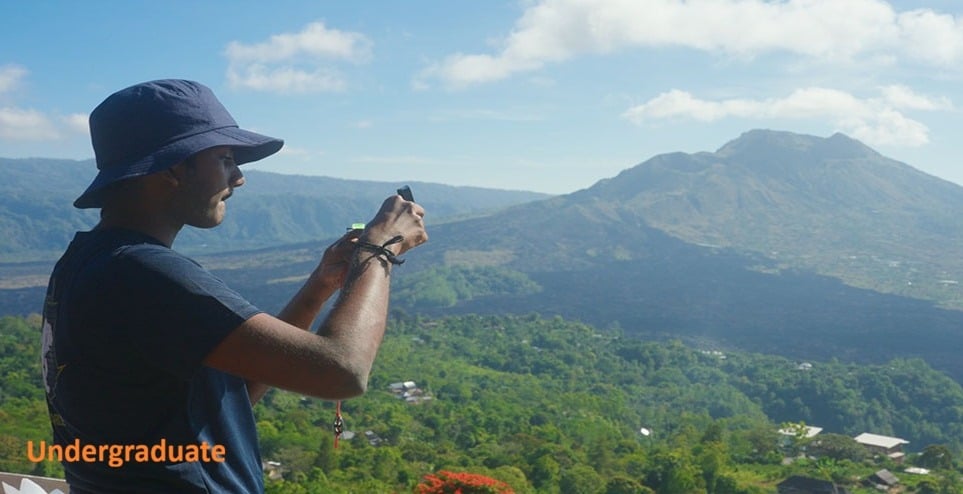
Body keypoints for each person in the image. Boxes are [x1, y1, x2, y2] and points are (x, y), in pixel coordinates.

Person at [40, 79, 427, 493]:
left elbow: (225, 399)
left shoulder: (88, 263)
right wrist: (380, 247)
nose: (239, 177)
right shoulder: (143, 273)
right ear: (173, 167)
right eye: (225, 158)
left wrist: (319, 287)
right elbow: (343, 372)